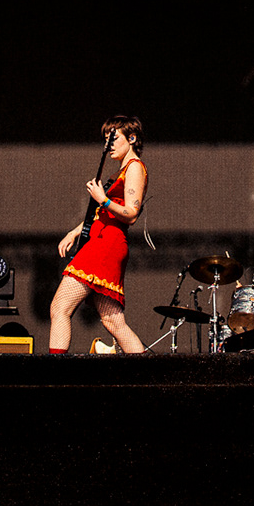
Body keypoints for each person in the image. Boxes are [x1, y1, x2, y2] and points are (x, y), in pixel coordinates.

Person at [49, 116, 149, 354]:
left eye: (113, 138)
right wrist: (75, 232)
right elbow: (101, 215)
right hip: (104, 242)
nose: (108, 145)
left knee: (60, 307)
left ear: (131, 138)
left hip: (106, 245)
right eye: (106, 140)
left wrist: (102, 199)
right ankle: (149, 368)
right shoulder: (122, 171)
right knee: (113, 321)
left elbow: (131, 213)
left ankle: (54, 370)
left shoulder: (135, 167)